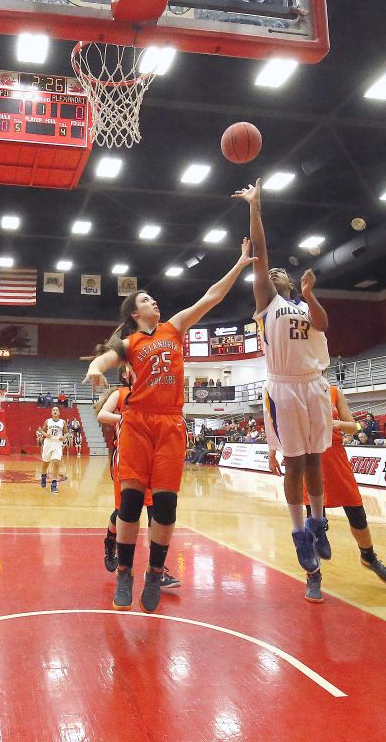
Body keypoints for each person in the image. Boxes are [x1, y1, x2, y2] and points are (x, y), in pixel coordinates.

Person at [83, 238, 254, 612]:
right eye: (146, 300)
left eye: (153, 298)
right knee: (130, 503)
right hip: (138, 423)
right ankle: (125, 573)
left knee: (165, 505)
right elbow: (102, 361)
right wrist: (95, 370)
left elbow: (211, 297)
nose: (154, 302)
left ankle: (155, 571)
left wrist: (240, 264)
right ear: (134, 313)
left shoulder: (174, 327)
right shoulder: (128, 343)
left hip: (171, 423)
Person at [236, 180, 334, 602]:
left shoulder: (303, 305)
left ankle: (318, 523)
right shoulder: (268, 303)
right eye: (269, 273)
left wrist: (311, 294)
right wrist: (255, 207)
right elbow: (260, 252)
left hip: (314, 384)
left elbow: (324, 325)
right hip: (284, 388)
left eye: (280, 273)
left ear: (292, 283)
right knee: (294, 463)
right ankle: (299, 534)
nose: (273, 273)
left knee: (314, 460)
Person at [295, 383, 386, 585]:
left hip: (336, 456)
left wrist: (338, 423)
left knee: (357, 511)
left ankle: (369, 557)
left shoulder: (334, 392)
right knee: (313, 520)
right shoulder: (295, 389)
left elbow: (354, 427)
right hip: (309, 458)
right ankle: (313, 575)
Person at [94, 364, 180, 588]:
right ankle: (111, 541)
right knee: (124, 510)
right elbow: (102, 415)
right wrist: (126, 417)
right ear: (126, 374)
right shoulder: (120, 393)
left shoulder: (153, 393)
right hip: (126, 457)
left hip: (152, 457)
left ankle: (156, 570)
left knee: (155, 512)